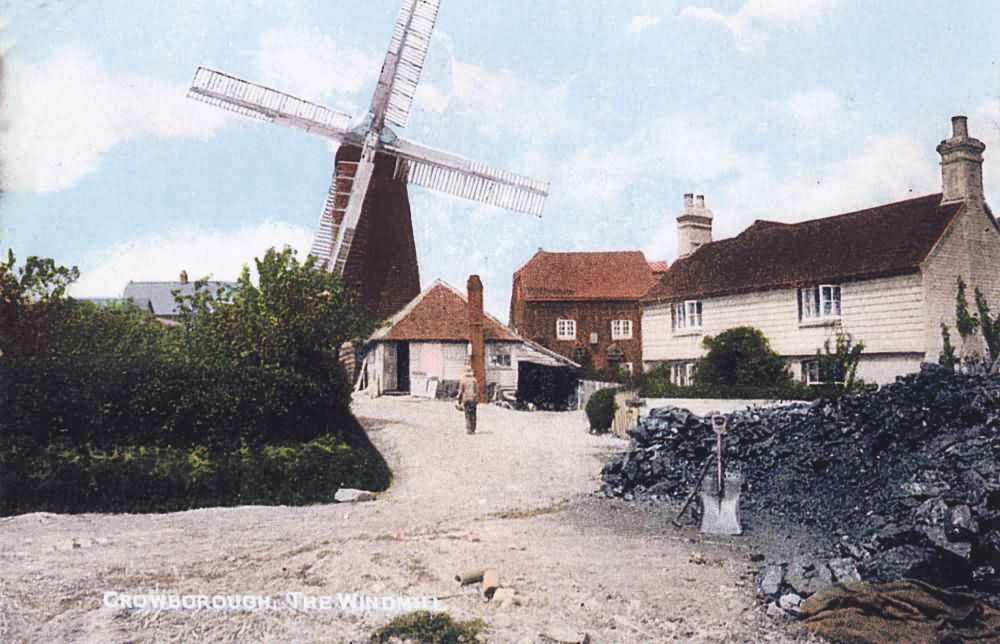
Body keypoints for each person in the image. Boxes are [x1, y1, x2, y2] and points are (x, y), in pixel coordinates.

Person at [457, 367, 479, 434]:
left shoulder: (463, 380)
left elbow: (460, 391)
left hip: (466, 399)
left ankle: (469, 429)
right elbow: (477, 391)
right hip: (473, 399)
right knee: (473, 414)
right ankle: (473, 429)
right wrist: (477, 399)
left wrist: (459, 400)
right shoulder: (474, 380)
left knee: (467, 414)